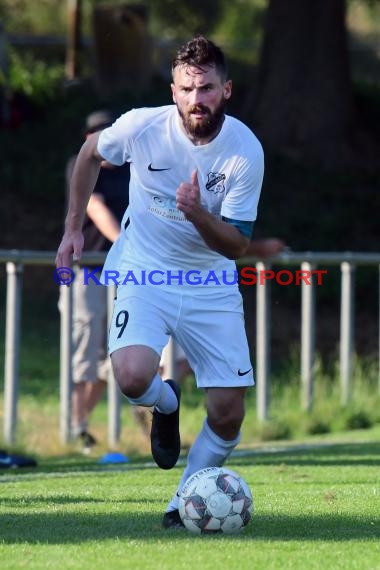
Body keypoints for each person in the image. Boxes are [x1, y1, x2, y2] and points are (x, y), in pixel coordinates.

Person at [56, 35, 264, 528]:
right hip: (143, 268)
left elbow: (235, 245)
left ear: (226, 90)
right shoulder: (141, 127)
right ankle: (164, 402)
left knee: (228, 413)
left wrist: (196, 214)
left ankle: (182, 501)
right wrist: (70, 230)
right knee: (130, 376)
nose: (197, 99)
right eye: (188, 88)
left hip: (210, 279)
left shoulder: (244, 151)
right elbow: (88, 154)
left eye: (208, 88)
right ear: (173, 90)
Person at [62, 110, 130, 452]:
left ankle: (81, 426)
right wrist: (124, 242)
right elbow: (95, 209)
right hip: (88, 272)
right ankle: (76, 428)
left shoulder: (128, 171)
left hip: (122, 274)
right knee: (85, 351)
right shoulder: (81, 164)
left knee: (115, 354)